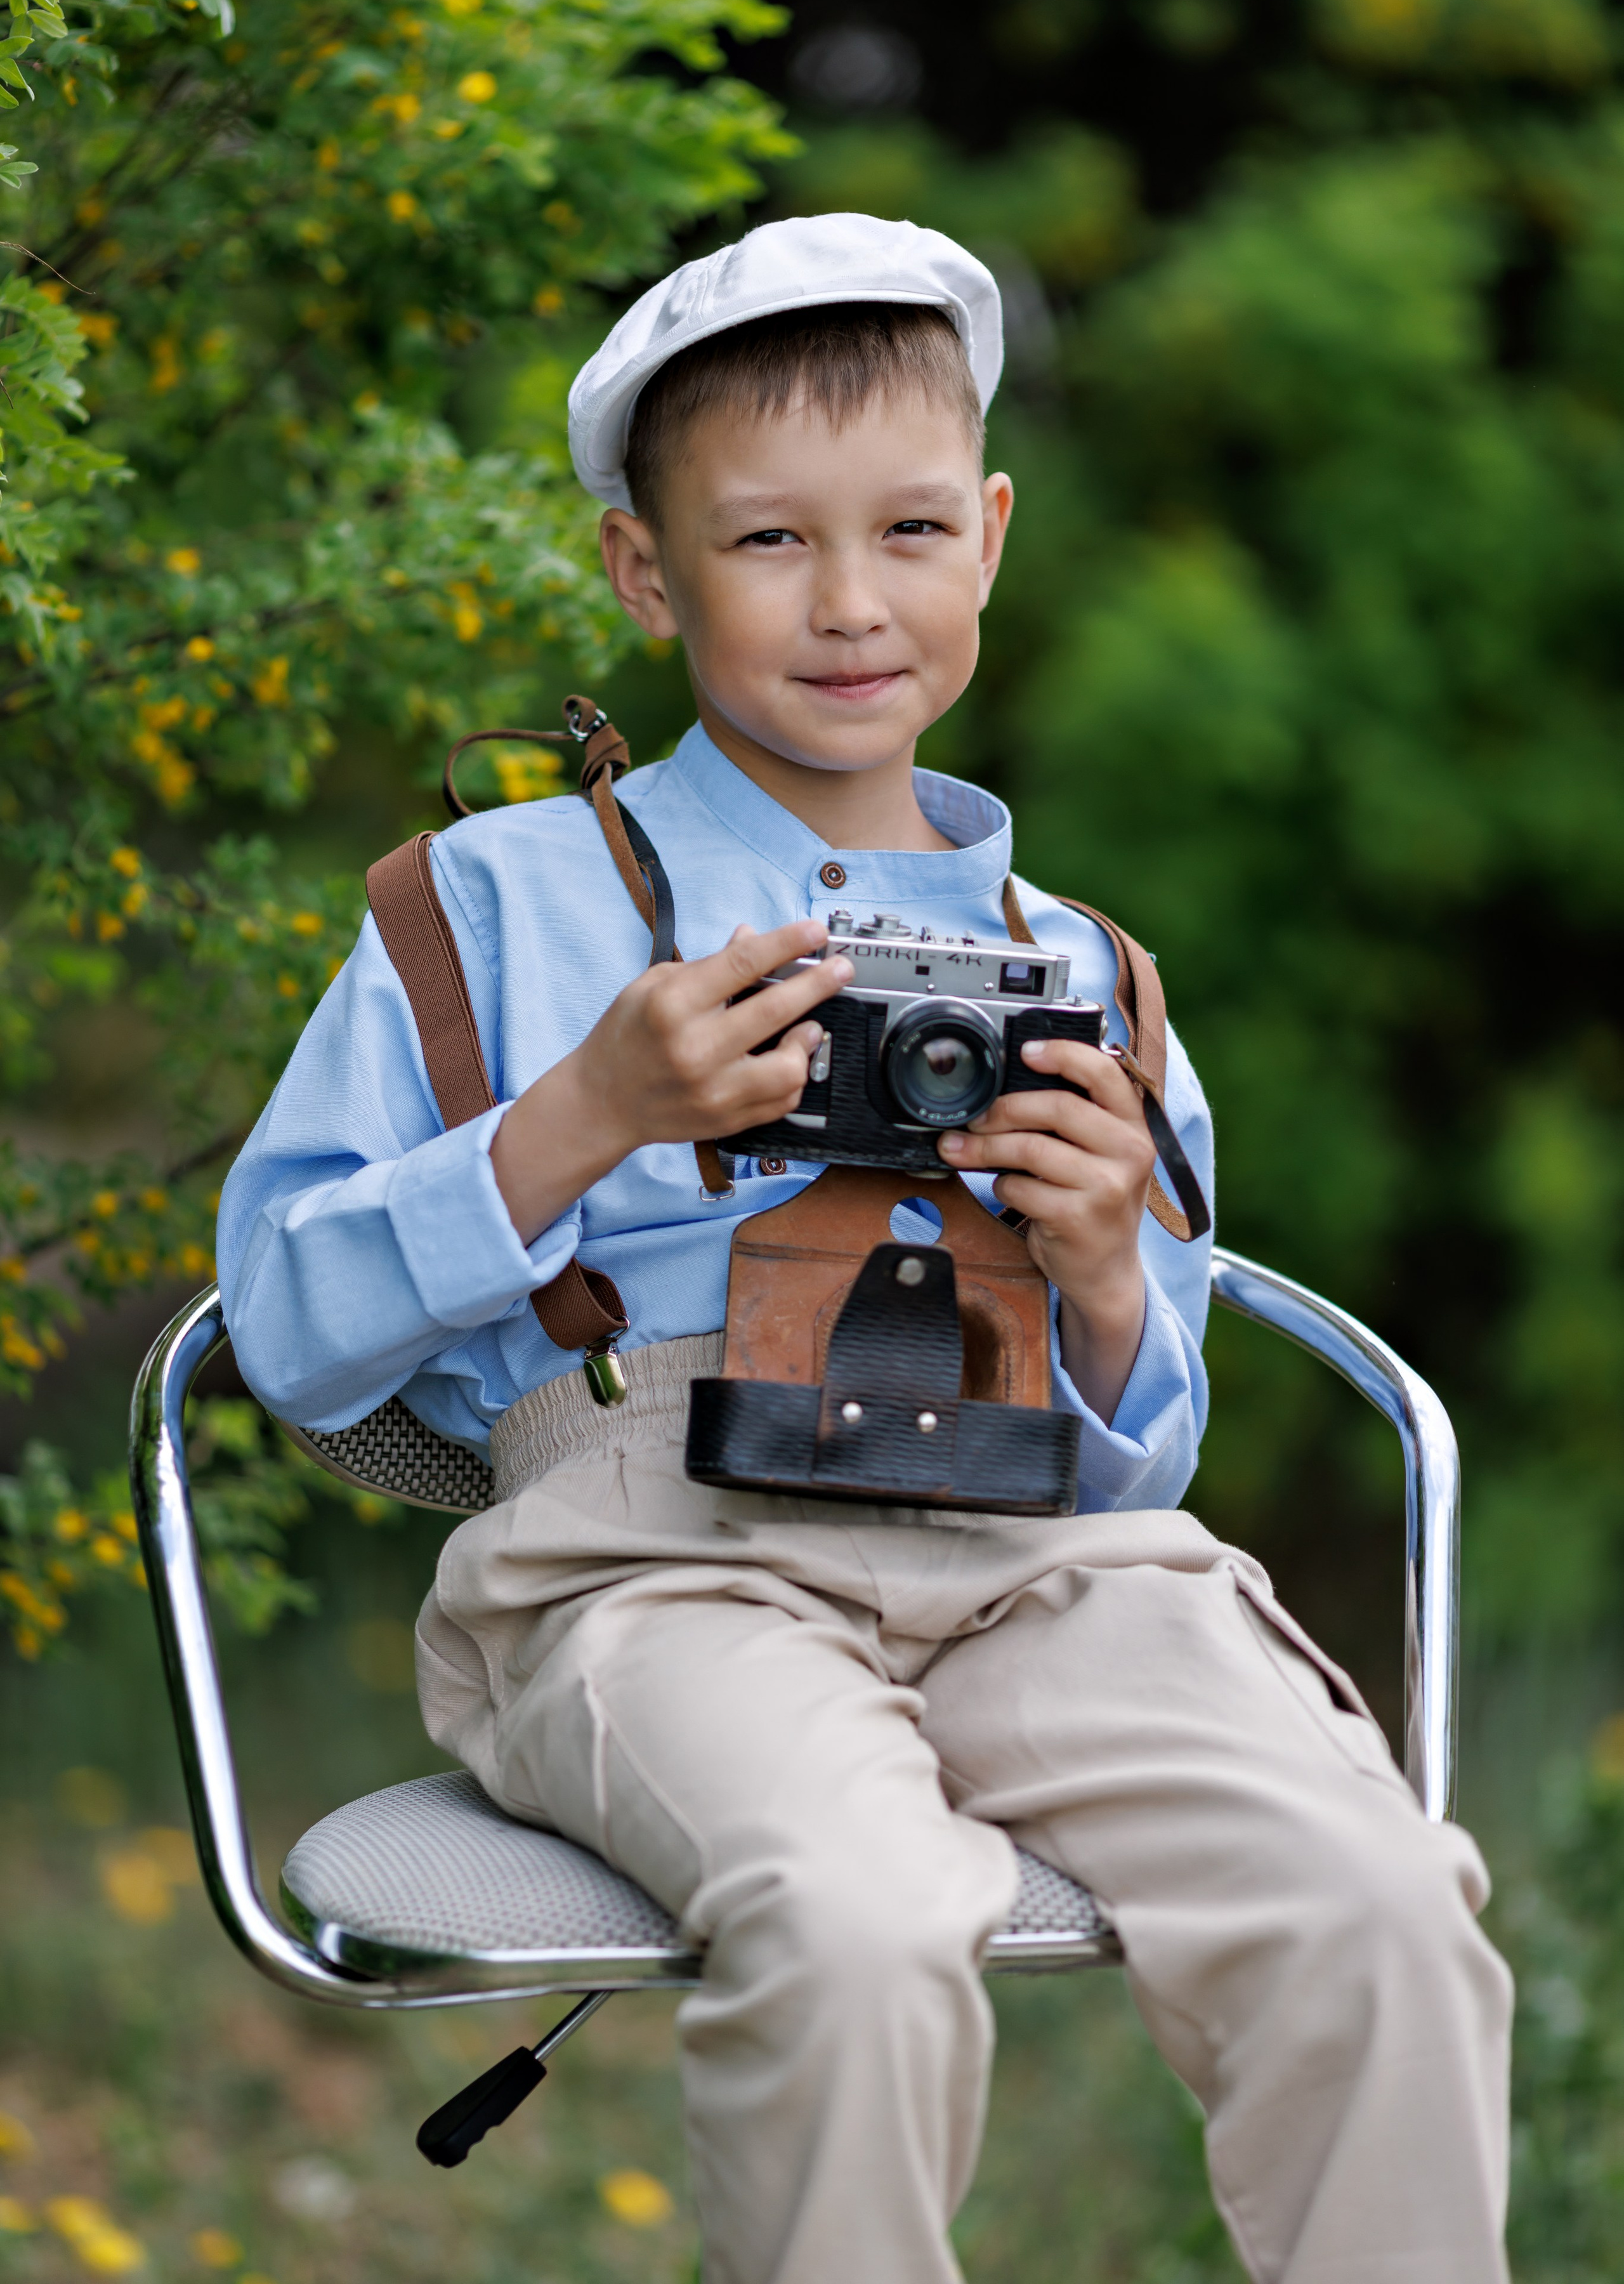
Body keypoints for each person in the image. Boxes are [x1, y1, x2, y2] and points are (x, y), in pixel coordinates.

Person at [218, 213, 1512, 2284]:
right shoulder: (494, 901)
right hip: (656, 1558)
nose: (851, 604)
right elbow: (285, 1337)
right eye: (766, 544)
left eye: (911, 529)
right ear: (647, 572)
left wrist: (1100, 1274)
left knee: (1376, 1892)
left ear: (990, 538)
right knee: (859, 1907)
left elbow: (1138, 1471)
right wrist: (587, 1117)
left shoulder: (1085, 973)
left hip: (1039, 1563)